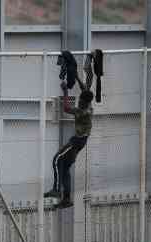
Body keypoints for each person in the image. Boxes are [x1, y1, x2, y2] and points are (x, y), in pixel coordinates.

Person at [44, 52, 95, 209]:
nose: (78, 101)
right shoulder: (87, 104)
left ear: (84, 102)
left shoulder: (83, 112)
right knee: (65, 167)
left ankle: (56, 189)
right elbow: (85, 84)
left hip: (77, 141)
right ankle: (66, 199)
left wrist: (66, 91)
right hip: (80, 142)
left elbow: (66, 108)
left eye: (80, 100)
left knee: (56, 159)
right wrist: (78, 72)